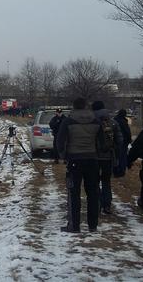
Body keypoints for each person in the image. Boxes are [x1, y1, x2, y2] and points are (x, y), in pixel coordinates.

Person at [57, 98, 100, 233]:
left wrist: (63, 156)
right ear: (86, 106)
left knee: (74, 193)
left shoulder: (68, 121)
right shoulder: (95, 121)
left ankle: (74, 226)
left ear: (74, 107)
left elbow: (60, 141)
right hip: (92, 160)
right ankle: (93, 226)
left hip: (74, 160)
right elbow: (103, 141)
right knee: (93, 193)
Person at [91, 101, 123, 215]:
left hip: (93, 157)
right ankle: (107, 205)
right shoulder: (112, 123)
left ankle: (97, 203)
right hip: (108, 156)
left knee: (94, 181)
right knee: (106, 181)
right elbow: (120, 140)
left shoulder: (91, 122)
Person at [113, 109, 132, 177]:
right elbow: (127, 132)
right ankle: (121, 171)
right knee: (123, 156)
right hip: (123, 141)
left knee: (115, 156)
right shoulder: (124, 121)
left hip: (115, 142)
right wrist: (129, 140)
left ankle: (115, 170)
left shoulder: (114, 120)